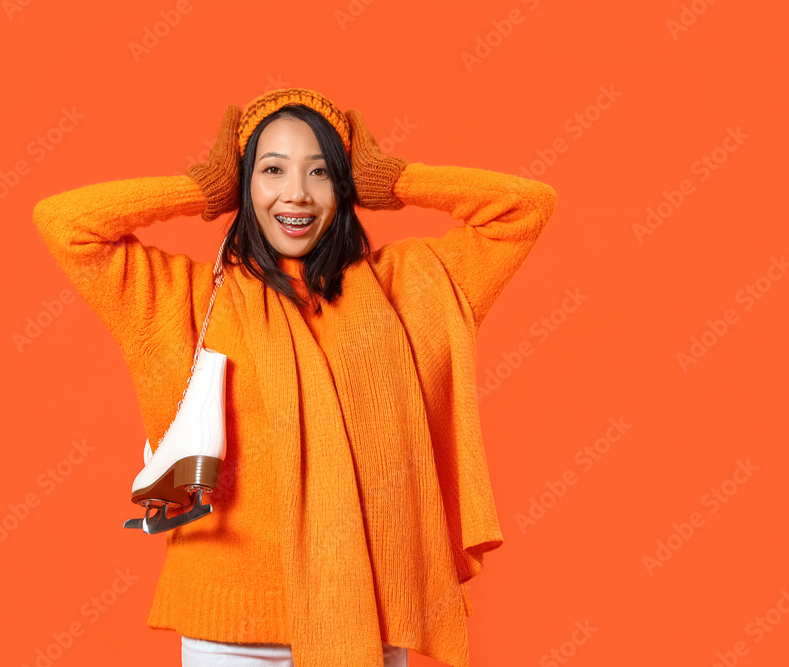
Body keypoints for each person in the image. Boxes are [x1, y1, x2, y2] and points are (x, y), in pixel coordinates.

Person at [33, 88, 558, 667]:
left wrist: (394, 179)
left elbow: (524, 207)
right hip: (231, 634)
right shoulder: (183, 297)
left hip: (366, 618)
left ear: (347, 186)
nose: (297, 194)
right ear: (243, 185)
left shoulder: (408, 287)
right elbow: (66, 223)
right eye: (272, 170)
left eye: (322, 172)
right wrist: (200, 189)